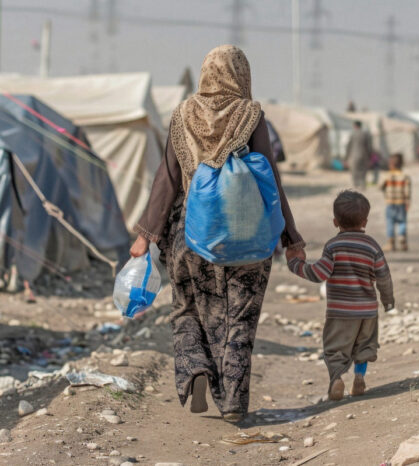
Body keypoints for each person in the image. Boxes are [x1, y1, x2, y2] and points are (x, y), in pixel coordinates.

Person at [129, 46, 305, 423]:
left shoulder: (181, 115)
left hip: (190, 236)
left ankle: (194, 369)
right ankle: (234, 403)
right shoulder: (251, 114)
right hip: (248, 236)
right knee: (239, 317)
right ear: (241, 75)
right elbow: (270, 179)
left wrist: (146, 234)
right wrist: (292, 238)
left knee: (187, 307)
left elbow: (168, 178)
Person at [286, 190, 394, 401]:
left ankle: (336, 379)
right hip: (367, 312)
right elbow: (384, 276)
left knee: (335, 348)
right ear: (365, 221)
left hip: (340, 311)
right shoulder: (372, 246)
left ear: (335, 222)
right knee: (364, 346)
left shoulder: (333, 247)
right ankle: (359, 377)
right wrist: (388, 300)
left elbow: (319, 273)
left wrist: (295, 264)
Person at [380, 153, 411, 251]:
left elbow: (380, 186)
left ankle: (391, 243)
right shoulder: (405, 176)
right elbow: (407, 191)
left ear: (391, 164)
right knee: (402, 221)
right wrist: (407, 201)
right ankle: (402, 238)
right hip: (401, 202)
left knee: (390, 222)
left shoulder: (387, 176)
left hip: (390, 202)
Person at [345, 121, 373, 189]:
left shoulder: (352, 134)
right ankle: (363, 184)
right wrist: (370, 155)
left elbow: (348, 146)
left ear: (355, 126)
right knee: (363, 170)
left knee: (354, 170)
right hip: (364, 155)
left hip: (354, 155)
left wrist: (346, 157)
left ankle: (356, 184)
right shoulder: (365, 134)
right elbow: (369, 146)